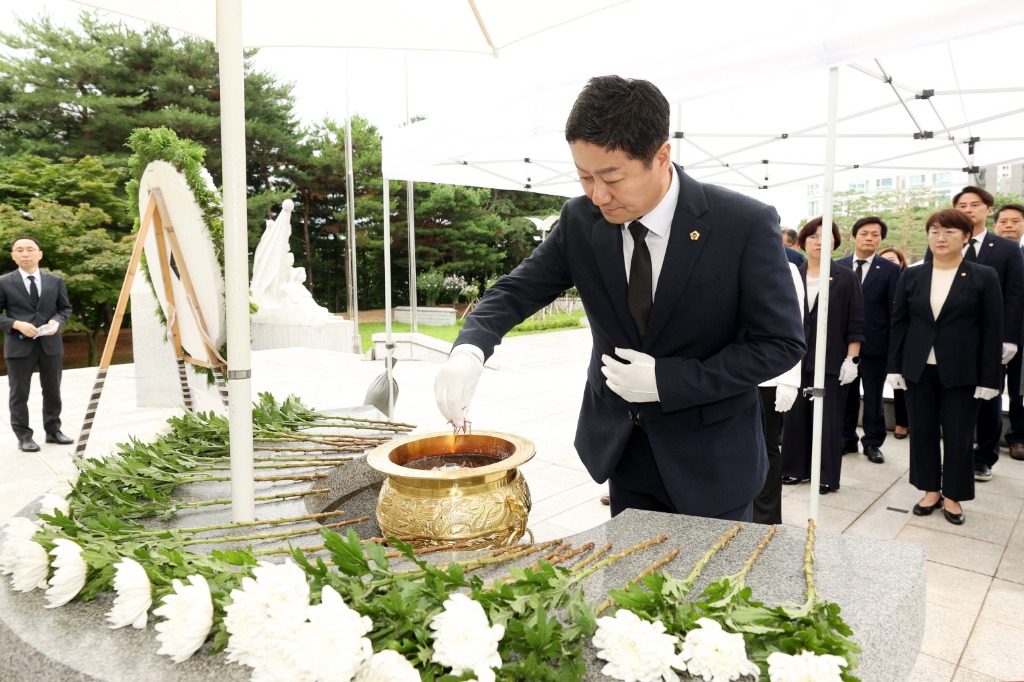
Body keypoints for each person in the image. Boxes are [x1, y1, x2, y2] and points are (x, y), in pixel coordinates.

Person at [434, 75, 805, 522]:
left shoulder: (741, 224)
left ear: (661, 156)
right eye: (584, 176)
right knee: (634, 583)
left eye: (611, 177)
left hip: (714, 459)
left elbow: (780, 344)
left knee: (712, 585)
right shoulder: (580, 220)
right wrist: (470, 350)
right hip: (625, 448)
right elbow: (516, 290)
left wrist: (670, 381)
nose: (598, 195)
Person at [888, 209, 1003, 525]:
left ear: (966, 237)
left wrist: (990, 377)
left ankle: (953, 495)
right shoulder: (912, 275)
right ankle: (929, 491)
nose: (941, 237)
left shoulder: (983, 276)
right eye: (935, 231)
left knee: (959, 435)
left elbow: (993, 329)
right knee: (922, 431)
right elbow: (899, 323)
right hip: (918, 368)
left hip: (963, 371)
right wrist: (894, 366)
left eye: (950, 231)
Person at [929, 187, 1024, 482]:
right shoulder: (942, 242)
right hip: (952, 342)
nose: (969, 209)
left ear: (988, 210)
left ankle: (984, 457)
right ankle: (953, 457)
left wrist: (1008, 337)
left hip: (991, 339)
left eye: (975, 204)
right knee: (952, 401)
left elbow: (1015, 295)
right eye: (962, 204)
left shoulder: (1006, 248)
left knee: (988, 398)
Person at [780, 217, 864, 494]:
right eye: (813, 236)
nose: (819, 241)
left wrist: (851, 359)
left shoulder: (846, 277)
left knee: (828, 422)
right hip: (796, 358)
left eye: (826, 236)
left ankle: (826, 475)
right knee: (794, 419)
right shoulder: (792, 275)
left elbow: (855, 322)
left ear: (835, 243)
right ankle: (794, 469)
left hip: (830, 360)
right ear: (802, 242)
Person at [0, 236, 74, 451]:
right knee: (19, 393)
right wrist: (15, 324)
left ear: (39, 254)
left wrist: (56, 322)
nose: (25, 254)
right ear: (13, 256)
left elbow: (65, 309)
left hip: (50, 344)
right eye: (19, 250)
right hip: (18, 346)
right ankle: (24, 436)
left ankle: (53, 431)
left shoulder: (55, 281)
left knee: (52, 390)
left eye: (30, 249)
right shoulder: (3, 282)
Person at [838, 217, 901, 464]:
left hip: (876, 346)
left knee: (874, 397)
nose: (869, 238)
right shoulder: (838, 266)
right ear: (853, 236)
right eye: (864, 233)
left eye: (875, 235)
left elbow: (894, 311)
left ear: (881, 239)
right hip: (843, 345)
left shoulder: (890, 270)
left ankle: (873, 442)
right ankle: (846, 438)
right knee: (847, 395)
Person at [754, 262, 803, 524]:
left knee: (766, 446)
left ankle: (766, 517)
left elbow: (794, 326)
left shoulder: (786, 266)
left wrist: (789, 380)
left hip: (769, 376)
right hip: (725, 374)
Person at [993, 204, 1024, 461]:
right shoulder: (987, 255)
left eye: (1015, 221)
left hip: (1020, 335)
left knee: (1019, 390)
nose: (1009, 225)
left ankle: (1018, 437)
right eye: (1003, 221)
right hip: (991, 334)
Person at [878, 247, 909, 439]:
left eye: (892, 260)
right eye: (885, 260)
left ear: (901, 263)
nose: (889, 263)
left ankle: (904, 421)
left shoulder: (909, 279)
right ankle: (901, 423)